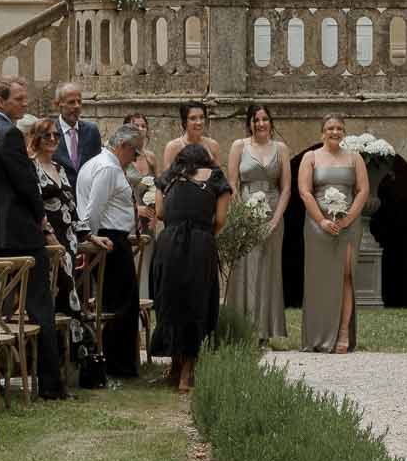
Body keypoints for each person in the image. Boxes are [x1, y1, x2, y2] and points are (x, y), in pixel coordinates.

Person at [0, 94, 65, 400]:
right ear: (0, 100)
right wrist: (41, 218)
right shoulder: (7, 134)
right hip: (18, 236)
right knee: (40, 307)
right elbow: (25, 184)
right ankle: (50, 384)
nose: (24, 103)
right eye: (19, 99)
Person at [22, 114, 104, 375]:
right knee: (63, 299)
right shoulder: (31, 167)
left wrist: (89, 236)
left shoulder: (59, 168)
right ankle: (67, 360)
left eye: (56, 135)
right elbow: (33, 207)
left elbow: (72, 207)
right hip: (48, 242)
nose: (53, 139)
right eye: (47, 135)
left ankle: (73, 361)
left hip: (67, 240)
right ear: (36, 138)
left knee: (71, 297)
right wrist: (48, 236)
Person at [151, 143, 232, 392]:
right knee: (197, 304)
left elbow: (160, 212)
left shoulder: (167, 178)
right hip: (200, 244)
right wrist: (204, 233)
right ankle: (187, 373)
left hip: (169, 244)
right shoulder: (217, 179)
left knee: (169, 302)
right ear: (206, 160)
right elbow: (219, 220)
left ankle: (174, 367)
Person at [77, 125, 146, 380]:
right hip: (110, 239)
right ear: (124, 146)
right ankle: (119, 365)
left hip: (113, 236)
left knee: (118, 303)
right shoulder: (107, 167)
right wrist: (90, 236)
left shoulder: (101, 163)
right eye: (135, 152)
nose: (135, 158)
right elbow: (94, 208)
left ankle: (116, 362)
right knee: (122, 306)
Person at [298, 116, 369, 352]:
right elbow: (305, 192)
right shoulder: (311, 157)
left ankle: (342, 333)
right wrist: (321, 220)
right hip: (318, 226)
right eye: (330, 128)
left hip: (348, 227)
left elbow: (362, 190)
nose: (335, 132)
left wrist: (349, 218)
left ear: (344, 133)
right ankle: (317, 335)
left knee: (345, 276)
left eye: (339, 128)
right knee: (319, 279)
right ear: (322, 133)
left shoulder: (354, 157)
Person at [224, 102, 291, 343]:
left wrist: (274, 221)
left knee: (269, 270)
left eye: (264, 119)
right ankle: (243, 329)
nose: (261, 123)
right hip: (245, 211)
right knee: (245, 269)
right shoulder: (239, 146)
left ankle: (265, 331)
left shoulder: (281, 148)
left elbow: (286, 188)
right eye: (256, 119)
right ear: (250, 123)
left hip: (273, 210)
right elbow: (232, 183)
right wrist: (243, 215)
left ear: (270, 123)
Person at [123, 111, 159, 297]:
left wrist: (156, 214)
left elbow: (158, 188)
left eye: (143, 126)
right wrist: (136, 209)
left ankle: (145, 308)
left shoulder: (151, 158)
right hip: (128, 217)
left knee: (147, 265)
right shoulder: (121, 157)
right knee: (132, 265)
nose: (140, 129)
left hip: (148, 222)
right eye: (135, 125)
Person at [51, 81, 102, 184]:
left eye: (79, 102)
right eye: (71, 102)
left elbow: (98, 165)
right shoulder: (49, 132)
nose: (77, 106)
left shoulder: (91, 131)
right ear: (58, 104)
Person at [162, 100, 222, 172]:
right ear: (184, 121)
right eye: (193, 118)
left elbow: (219, 177)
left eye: (202, 117)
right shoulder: (173, 147)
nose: (199, 122)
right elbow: (166, 179)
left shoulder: (213, 145)